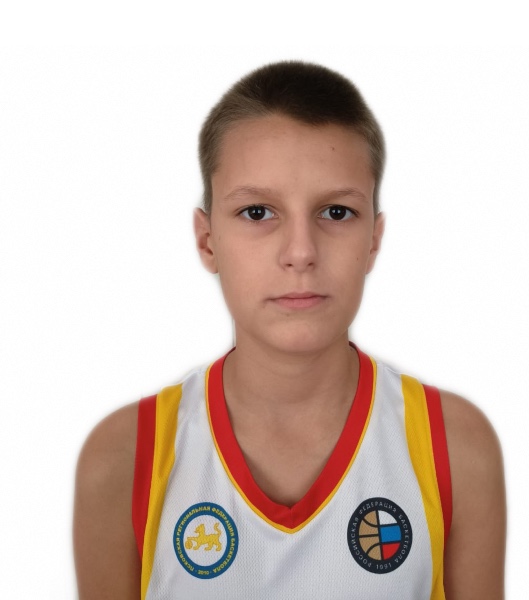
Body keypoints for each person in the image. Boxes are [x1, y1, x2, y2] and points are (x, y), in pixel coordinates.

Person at [73, 61, 506, 599]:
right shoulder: (125, 457)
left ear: (373, 240)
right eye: (257, 212)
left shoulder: (454, 447)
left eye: (336, 212)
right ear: (207, 241)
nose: (301, 252)